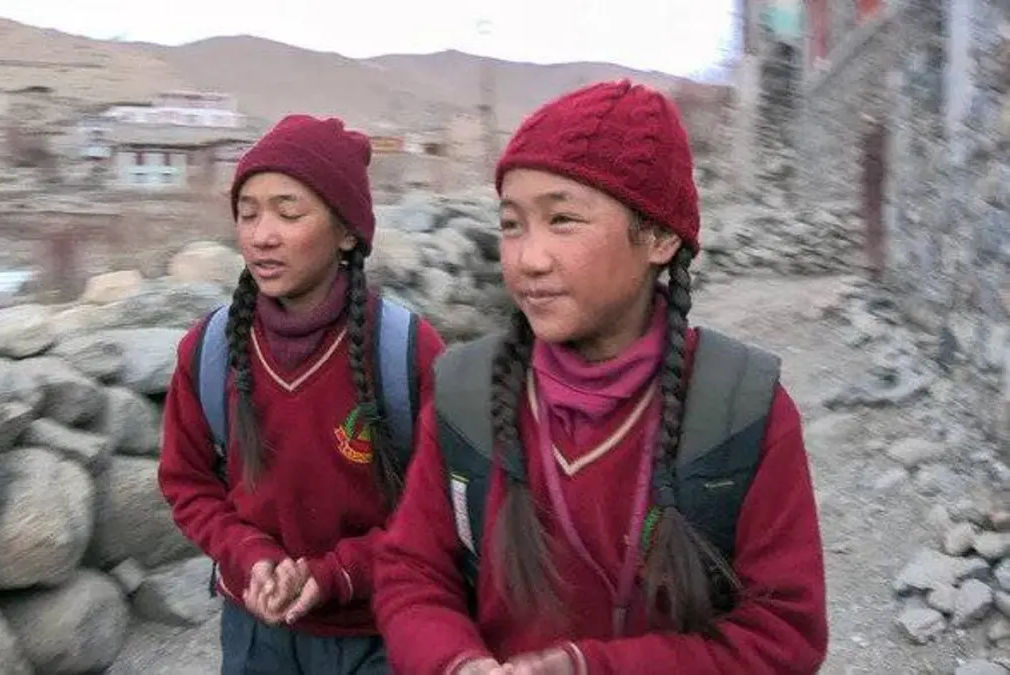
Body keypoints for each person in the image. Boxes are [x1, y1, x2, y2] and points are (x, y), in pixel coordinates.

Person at [373, 80, 828, 674]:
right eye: (512, 225)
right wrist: (455, 663)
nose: (527, 259)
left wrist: (591, 668)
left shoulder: (742, 409)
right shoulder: (466, 393)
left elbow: (783, 634)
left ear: (660, 236)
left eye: (562, 220)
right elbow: (411, 573)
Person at [159, 114, 446, 675]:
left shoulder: (405, 352)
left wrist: (337, 574)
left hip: (379, 628)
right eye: (248, 214)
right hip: (255, 629)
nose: (262, 234)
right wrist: (251, 558)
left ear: (346, 232)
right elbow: (187, 482)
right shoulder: (211, 348)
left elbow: (437, 512)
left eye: (289, 212)